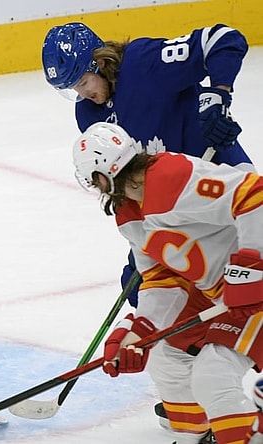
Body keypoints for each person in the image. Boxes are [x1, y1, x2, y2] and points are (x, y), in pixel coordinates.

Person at [42, 22, 256, 436]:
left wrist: (218, 93)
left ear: (100, 62)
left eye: (84, 81)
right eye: (72, 89)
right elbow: (117, 175)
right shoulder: (89, 112)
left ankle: (228, 376)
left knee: (239, 285)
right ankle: (195, 386)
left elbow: (222, 39)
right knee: (142, 278)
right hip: (165, 208)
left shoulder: (144, 63)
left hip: (219, 197)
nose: (83, 94)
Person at [72, 122, 263, 444]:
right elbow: (162, 276)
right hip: (223, 292)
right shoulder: (129, 211)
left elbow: (254, 193)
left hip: (250, 288)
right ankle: (196, 436)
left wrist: (252, 265)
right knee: (166, 355)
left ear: (102, 176)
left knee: (212, 374)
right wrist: (141, 329)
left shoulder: (172, 176)